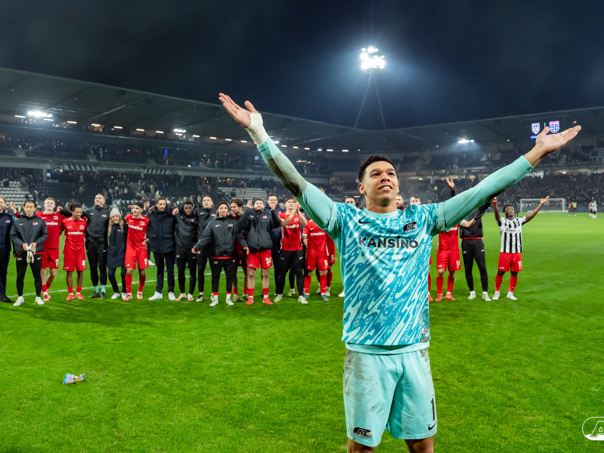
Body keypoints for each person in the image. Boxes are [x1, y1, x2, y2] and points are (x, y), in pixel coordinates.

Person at [219, 93, 580, 452]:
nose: (385, 177)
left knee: (423, 446)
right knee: (361, 448)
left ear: (398, 184)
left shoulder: (424, 219)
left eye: (391, 173)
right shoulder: (344, 219)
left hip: (414, 350)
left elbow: (483, 190)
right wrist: (259, 134)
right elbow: (295, 183)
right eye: (375, 174)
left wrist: (535, 153)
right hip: (365, 353)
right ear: (361, 187)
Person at [492, 197, 549, 301]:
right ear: (505, 212)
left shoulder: (519, 220)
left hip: (517, 253)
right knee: (500, 272)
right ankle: (497, 292)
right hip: (505, 252)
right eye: (508, 209)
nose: (511, 210)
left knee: (515, 273)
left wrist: (540, 204)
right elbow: (496, 215)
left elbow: (531, 216)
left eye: (512, 209)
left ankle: (510, 293)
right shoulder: (502, 221)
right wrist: (495, 203)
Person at [194, 202, 248, 306]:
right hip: (216, 254)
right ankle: (215, 299)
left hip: (229, 255)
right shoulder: (212, 223)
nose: (223, 210)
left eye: (225, 208)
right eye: (221, 208)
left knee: (229, 277)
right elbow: (205, 237)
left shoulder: (233, 222)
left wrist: (244, 245)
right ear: (217, 210)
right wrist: (197, 246)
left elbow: (239, 236)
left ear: (227, 210)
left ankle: (228, 298)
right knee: (215, 277)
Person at [238, 198, 281, 305]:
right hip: (253, 249)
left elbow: (277, 224)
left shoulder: (268, 215)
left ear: (264, 205)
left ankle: (265, 297)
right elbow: (240, 224)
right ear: (254, 205)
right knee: (250, 274)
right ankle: (250, 297)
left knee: (265, 274)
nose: (258, 204)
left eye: (261, 203)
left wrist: (273, 210)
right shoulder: (249, 215)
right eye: (257, 203)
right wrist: (247, 210)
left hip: (265, 249)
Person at [10, 200, 47, 306]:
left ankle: (38, 297)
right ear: (24, 207)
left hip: (36, 252)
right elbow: (13, 236)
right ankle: (20, 297)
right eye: (27, 207)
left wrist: (36, 243)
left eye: (31, 207)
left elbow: (44, 235)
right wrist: (22, 244)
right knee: (20, 276)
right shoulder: (17, 221)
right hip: (21, 253)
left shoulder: (40, 221)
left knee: (37, 275)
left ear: (35, 208)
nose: (29, 209)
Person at [274, 196, 307, 304]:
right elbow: (284, 224)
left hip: (298, 249)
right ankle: (279, 294)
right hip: (285, 249)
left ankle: (301, 296)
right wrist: (293, 213)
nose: (292, 204)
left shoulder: (299, 215)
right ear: (285, 204)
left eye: (293, 202)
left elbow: (305, 224)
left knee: (299, 273)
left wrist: (298, 212)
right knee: (282, 273)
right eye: (289, 202)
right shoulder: (281, 215)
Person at [459, 201, 491, 301]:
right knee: (468, 268)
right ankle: (472, 292)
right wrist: (478, 216)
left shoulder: (478, 209)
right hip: (466, 242)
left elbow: (487, 204)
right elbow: (468, 225)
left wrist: (492, 195)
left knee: (482, 267)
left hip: (478, 241)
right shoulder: (460, 214)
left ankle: (485, 293)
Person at [147, 197, 177, 301]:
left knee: (170, 270)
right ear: (156, 204)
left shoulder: (171, 214)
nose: (162, 206)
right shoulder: (151, 214)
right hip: (156, 246)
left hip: (169, 246)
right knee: (159, 270)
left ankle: (170, 292)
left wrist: (174, 209)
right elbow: (143, 223)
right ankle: (158, 292)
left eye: (164, 204)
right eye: (160, 204)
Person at [435, 179, 460, 302]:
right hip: (443, 249)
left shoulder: (457, 218)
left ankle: (449, 293)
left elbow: (455, 203)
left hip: (454, 249)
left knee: (452, 272)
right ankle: (439, 293)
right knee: (440, 271)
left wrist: (453, 190)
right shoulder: (440, 221)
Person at [84, 194, 111, 299]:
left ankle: (103, 291)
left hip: (102, 243)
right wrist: (62, 211)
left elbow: (118, 220)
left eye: (99, 198)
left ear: (104, 201)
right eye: (95, 198)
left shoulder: (107, 212)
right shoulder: (88, 211)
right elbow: (75, 214)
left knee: (102, 268)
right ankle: (95, 290)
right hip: (90, 243)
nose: (97, 199)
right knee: (93, 268)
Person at [61, 202, 87, 301]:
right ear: (72, 212)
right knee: (69, 272)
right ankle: (70, 293)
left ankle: (78, 293)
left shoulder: (84, 222)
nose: (79, 214)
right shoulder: (65, 221)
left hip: (80, 251)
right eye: (77, 212)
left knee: (80, 271)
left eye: (80, 212)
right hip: (69, 251)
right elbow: (59, 232)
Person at [123, 202, 150, 301]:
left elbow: (152, 232)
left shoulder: (146, 220)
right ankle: (129, 294)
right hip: (131, 247)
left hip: (141, 248)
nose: (134, 210)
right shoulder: (128, 217)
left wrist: (147, 240)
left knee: (142, 272)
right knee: (129, 270)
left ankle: (140, 291)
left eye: (137, 208)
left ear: (142, 210)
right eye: (133, 208)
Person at [173, 200, 198, 301]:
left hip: (192, 249)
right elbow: (168, 209)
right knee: (180, 271)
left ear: (193, 208)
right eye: (186, 208)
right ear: (183, 209)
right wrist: (177, 209)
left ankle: (190, 294)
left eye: (190, 208)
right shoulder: (178, 216)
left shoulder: (196, 218)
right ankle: (182, 293)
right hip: (180, 248)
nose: (188, 209)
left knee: (192, 271)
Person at [302, 216, 329, 303]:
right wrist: (304, 239)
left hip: (322, 252)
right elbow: (304, 234)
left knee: (323, 272)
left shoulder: (324, 222)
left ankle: (323, 292)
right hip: (311, 252)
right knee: (309, 272)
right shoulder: (308, 223)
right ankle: (306, 292)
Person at [195, 195, 215, 301]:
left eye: (208, 200)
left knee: (214, 271)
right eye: (204, 200)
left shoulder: (216, 212)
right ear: (202, 203)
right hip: (201, 245)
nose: (206, 202)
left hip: (213, 245)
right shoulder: (197, 212)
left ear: (212, 203)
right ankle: (201, 294)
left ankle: (213, 293)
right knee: (200, 270)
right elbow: (185, 212)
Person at [107, 208, 127, 300]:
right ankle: (116, 292)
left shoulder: (125, 226)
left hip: (122, 252)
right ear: (111, 218)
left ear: (120, 216)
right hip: (111, 253)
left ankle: (124, 291)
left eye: (117, 216)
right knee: (110, 274)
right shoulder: (108, 227)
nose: (115, 218)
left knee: (123, 273)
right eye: (113, 217)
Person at [229, 198, 247, 301]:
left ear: (240, 207)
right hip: (233, 249)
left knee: (247, 272)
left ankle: (245, 294)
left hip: (245, 248)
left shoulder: (246, 217)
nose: (232, 209)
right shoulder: (230, 218)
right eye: (231, 207)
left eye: (234, 207)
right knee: (233, 273)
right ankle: (235, 294)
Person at [0, 197, 14, 303]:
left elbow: (13, 235)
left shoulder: (9, 218)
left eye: (1, 202)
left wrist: (15, 249)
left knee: (2, 273)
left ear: (5, 204)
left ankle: (2, 295)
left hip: (4, 251)